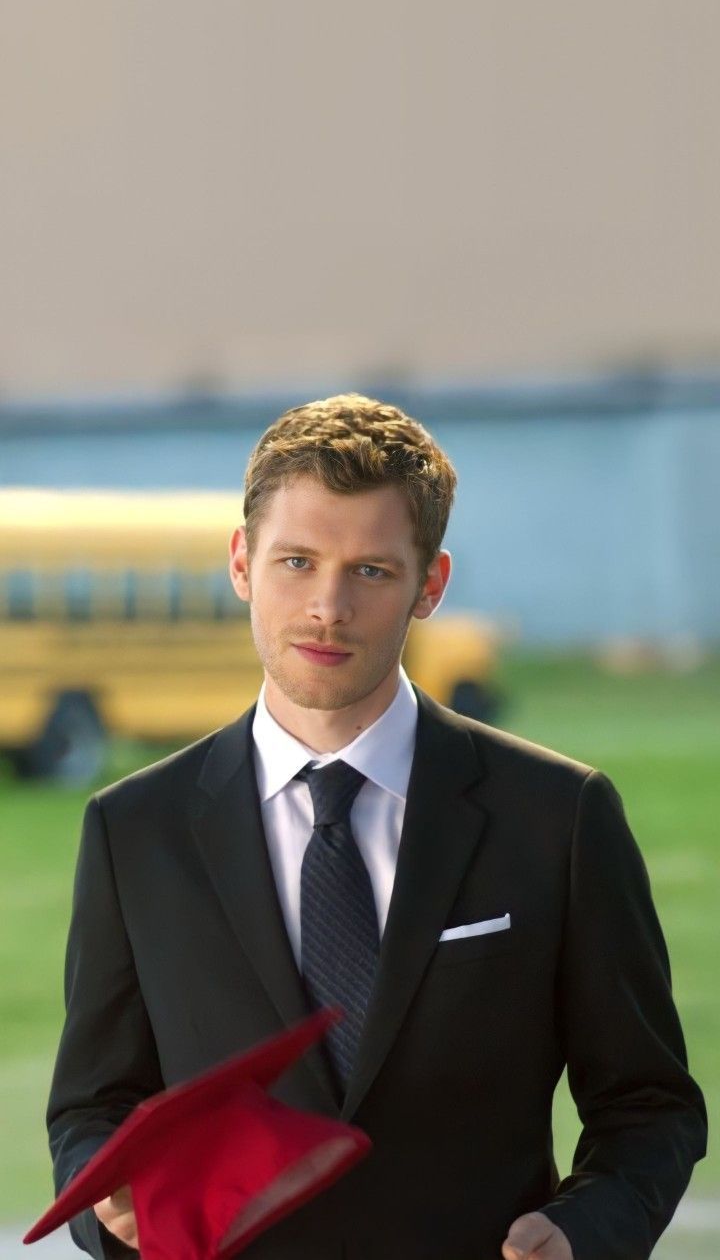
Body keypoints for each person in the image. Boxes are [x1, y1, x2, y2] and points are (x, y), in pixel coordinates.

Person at [47, 393, 707, 1260]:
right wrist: (110, 1200)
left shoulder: (558, 816)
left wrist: (584, 1231)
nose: (327, 607)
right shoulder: (133, 829)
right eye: (296, 561)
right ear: (242, 563)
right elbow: (90, 1108)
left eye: (370, 571)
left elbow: (650, 1104)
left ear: (429, 585)